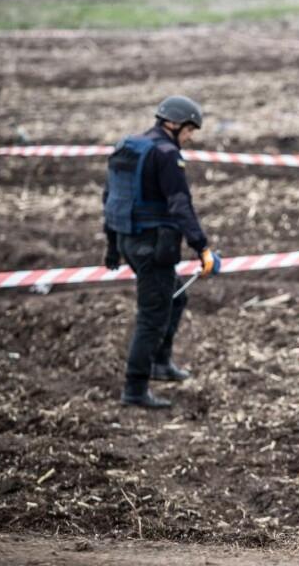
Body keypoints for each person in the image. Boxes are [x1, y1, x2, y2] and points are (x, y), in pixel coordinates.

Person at [103, 95, 221, 409]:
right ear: (173, 124)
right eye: (189, 129)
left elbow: (111, 198)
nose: (190, 136)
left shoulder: (130, 146)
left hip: (130, 240)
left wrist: (112, 246)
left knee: (175, 296)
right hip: (154, 245)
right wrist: (202, 247)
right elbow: (180, 205)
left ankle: (160, 362)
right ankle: (135, 389)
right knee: (152, 316)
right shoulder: (166, 154)